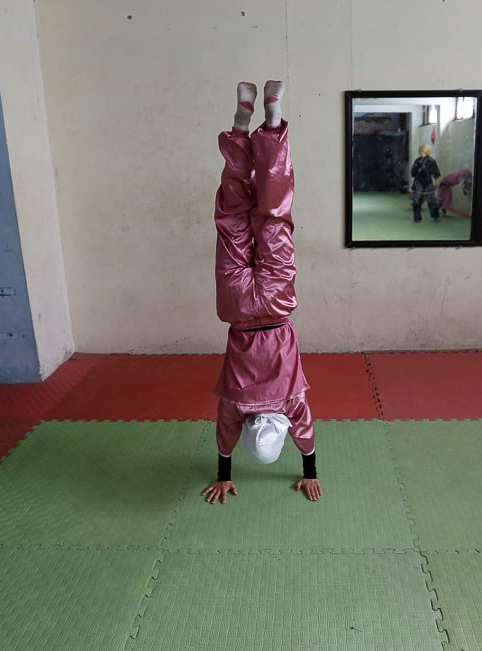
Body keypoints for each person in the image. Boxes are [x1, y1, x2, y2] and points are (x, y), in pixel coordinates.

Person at [202, 80, 321, 505]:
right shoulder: (236, 404)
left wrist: (310, 471)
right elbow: (224, 434)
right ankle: (239, 127)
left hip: (274, 301)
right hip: (236, 304)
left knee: (274, 215)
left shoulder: (291, 402)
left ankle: (271, 123)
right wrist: (223, 474)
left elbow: (306, 434)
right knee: (232, 215)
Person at [410, 144, 441, 222]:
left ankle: (431, 215)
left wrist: (436, 181)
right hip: (421, 182)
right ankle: (420, 217)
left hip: (425, 182)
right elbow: (413, 173)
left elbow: (435, 173)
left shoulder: (426, 161)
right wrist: (436, 181)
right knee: (420, 200)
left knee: (427, 200)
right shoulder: (422, 160)